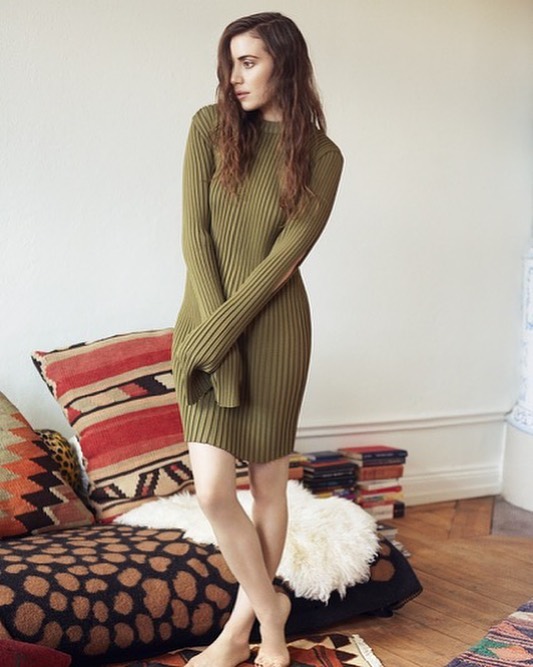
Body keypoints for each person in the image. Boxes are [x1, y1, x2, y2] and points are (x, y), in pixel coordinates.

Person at [171, 12, 343, 667]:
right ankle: (273, 608)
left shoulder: (323, 157)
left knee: (269, 488)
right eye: (230, 64)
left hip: (275, 332)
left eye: (249, 62)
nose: (234, 77)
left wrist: (224, 334)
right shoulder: (207, 128)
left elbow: (283, 260)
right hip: (204, 322)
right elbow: (195, 236)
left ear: (284, 63)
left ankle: (240, 633)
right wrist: (212, 335)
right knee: (214, 490)